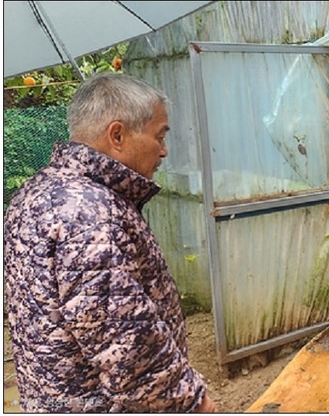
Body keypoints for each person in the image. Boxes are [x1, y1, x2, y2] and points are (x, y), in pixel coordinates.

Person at [3, 73, 216, 412]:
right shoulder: (88, 212)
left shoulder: (32, 193)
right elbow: (126, 342)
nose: (164, 150)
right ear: (117, 134)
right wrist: (188, 400)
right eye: (159, 135)